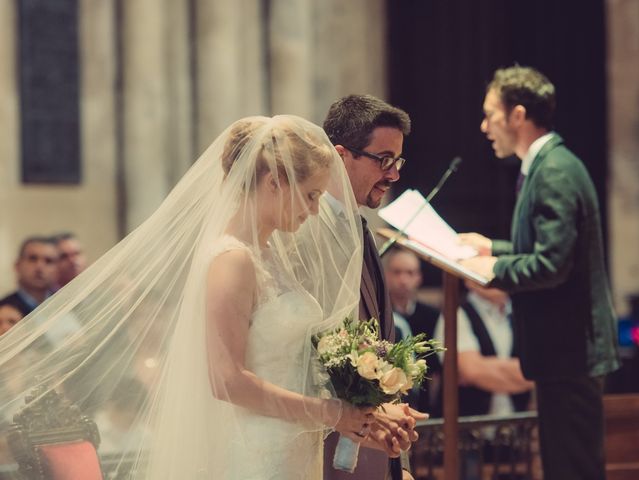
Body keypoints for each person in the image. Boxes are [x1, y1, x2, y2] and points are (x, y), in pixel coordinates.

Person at [0, 115, 376, 479]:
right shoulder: (233, 260)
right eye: (310, 195)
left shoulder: (273, 254)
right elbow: (226, 379)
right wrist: (329, 412)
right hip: (254, 450)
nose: (313, 210)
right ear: (275, 182)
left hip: (292, 441)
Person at [460, 66, 620, 480]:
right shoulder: (549, 165)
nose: (484, 126)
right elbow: (546, 251)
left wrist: (492, 267)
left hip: (569, 351)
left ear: (517, 115)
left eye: (489, 114)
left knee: (575, 470)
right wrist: (491, 246)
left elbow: (552, 264)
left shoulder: (554, 171)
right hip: (562, 352)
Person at [322, 94, 424, 480]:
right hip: (330, 450)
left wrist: (400, 464)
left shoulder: (360, 226)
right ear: (340, 154)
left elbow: (378, 341)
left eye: (397, 161)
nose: (394, 173)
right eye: (383, 160)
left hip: (373, 449)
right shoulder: (311, 233)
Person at [433, 280, 533, 418]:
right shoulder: (455, 314)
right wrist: (534, 375)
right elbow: (472, 371)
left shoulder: (522, 314)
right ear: (468, 280)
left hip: (516, 428)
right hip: (467, 429)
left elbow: (546, 363)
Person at [384, 248, 441, 411]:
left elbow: (436, 370)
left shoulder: (432, 316)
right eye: (397, 272)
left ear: (419, 278)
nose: (403, 279)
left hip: (422, 405)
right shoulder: (379, 314)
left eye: (410, 273)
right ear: (386, 275)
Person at [0, 236, 59, 316]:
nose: (40, 267)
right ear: (17, 265)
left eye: (48, 261)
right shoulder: (2, 310)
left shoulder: (66, 304)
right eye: (33, 259)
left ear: (57, 269)